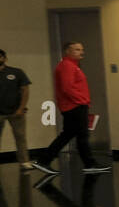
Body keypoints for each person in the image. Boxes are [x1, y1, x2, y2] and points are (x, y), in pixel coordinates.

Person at [33, 41, 110, 175]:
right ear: (68, 51)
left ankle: (44, 161)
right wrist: (82, 101)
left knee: (70, 135)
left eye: (81, 49)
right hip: (75, 106)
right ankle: (89, 164)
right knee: (81, 135)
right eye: (77, 49)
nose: (81, 52)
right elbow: (67, 88)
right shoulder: (67, 66)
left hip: (75, 106)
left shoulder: (73, 66)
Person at [0, 50, 33, 170]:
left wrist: (21, 108)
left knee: (20, 137)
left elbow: (25, 90)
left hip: (16, 112)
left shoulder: (16, 72)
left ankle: (24, 162)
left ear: (4, 58)